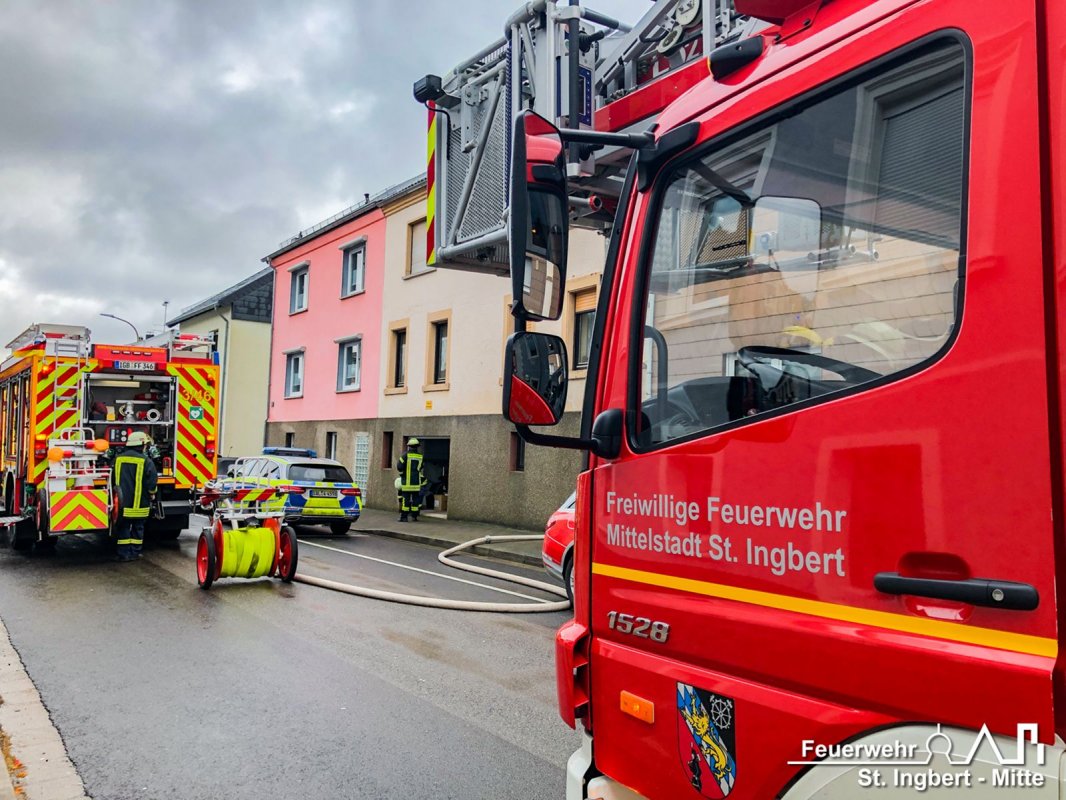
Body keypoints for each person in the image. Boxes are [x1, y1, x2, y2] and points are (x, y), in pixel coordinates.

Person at [112, 431, 158, 561]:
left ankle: (123, 554)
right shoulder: (146, 461)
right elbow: (152, 481)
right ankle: (135, 553)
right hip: (140, 504)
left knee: (123, 527)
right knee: (138, 528)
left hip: (122, 504)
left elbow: (112, 478)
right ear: (142, 444)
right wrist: (152, 494)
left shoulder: (118, 459)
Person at [396, 438, 427, 522]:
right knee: (416, 501)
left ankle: (404, 517)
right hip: (416, 483)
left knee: (405, 501)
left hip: (407, 483)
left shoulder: (405, 455)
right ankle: (414, 517)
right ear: (417, 446)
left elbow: (399, 466)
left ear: (409, 446)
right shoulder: (421, 456)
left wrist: (402, 474)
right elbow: (421, 467)